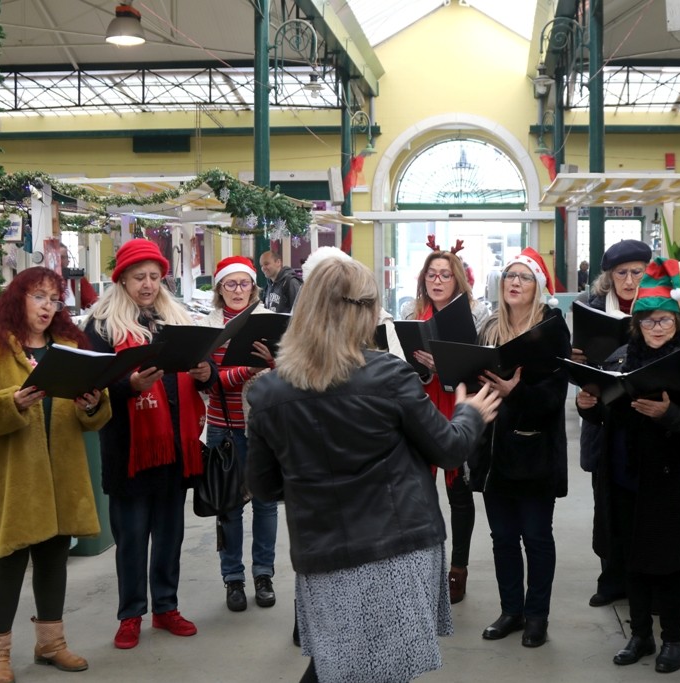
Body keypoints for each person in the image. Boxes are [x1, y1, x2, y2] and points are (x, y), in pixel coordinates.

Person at [245, 256, 500, 683]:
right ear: (364, 312)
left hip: (322, 550)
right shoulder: (388, 375)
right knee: (378, 670)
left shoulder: (269, 392)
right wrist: (470, 414)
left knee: (336, 664)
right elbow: (450, 449)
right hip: (396, 547)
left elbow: (264, 486)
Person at [0, 267, 111, 683]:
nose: (47, 307)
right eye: (39, 296)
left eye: (55, 299)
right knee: (9, 561)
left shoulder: (71, 345)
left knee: (54, 558)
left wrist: (92, 403)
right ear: (17, 296)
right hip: (10, 477)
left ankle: (51, 644)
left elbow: (96, 410)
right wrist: (11, 401)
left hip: (61, 474)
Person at [576, 257, 680, 675]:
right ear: (636, 323)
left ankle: (672, 639)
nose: (657, 328)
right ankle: (640, 634)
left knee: (668, 565)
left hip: (672, 479)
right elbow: (606, 412)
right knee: (630, 559)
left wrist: (668, 414)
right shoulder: (620, 357)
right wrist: (588, 406)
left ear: (677, 322)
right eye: (649, 320)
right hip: (623, 473)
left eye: (665, 320)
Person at [84, 239, 216, 650]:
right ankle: (130, 615)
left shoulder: (176, 318)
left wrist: (205, 371)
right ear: (121, 278)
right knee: (132, 536)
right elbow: (92, 385)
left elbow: (205, 378)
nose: (148, 284)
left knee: (170, 535)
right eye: (139, 277)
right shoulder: (101, 327)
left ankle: (166, 607)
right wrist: (129, 386)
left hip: (174, 446)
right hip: (129, 449)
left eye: (155, 277)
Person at [471, 247, 571, 649]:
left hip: (534, 451)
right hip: (493, 449)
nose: (514, 282)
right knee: (502, 537)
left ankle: (536, 615)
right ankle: (511, 610)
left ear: (538, 286)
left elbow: (554, 396)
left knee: (536, 536)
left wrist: (517, 392)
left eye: (523, 277)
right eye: (509, 275)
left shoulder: (551, 328)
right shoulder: (489, 326)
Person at [400, 242, 490, 604]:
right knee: (418, 491)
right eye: (431, 275)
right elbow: (402, 369)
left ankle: (459, 568)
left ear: (458, 280)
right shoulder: (412, 312)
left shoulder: (476, 314)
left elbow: (482, 369)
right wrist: (422, 369)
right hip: (421, 405)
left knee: (458, 492)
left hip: (458, 403)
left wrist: (445, 368)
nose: (437, 281)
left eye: (445, 275)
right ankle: (423, 564)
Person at [571, 238, 652, 607]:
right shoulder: (591, 308)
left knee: (643, 507)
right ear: (609, 276)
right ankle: (611, 577)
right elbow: (577, 362)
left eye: (637, 271)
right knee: (606, 502)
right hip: (602, 418)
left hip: (645, 419)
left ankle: (644, 580)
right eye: (622, 273)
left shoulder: (659, 306)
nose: (630, 280)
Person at [201, 256, 279, 612]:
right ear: (219, 289)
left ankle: (264, 574)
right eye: (229, 284)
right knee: (229, 507)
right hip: (222, 427)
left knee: (265, 506)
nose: (237, 291)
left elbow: (286, 375)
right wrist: (246, 369)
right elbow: (209, 383)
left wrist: (273, 362)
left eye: (243, 284)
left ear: (253, 287)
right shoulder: (209, 327)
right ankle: (233, 578)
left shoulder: (269, 323)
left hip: (263, 427)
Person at [259, 249, 301, 313]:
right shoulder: (268, 284)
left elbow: (300, 310)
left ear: (278, 262)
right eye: (261, 265)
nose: (263, 268)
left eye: (266, 264)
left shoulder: (290, 282)